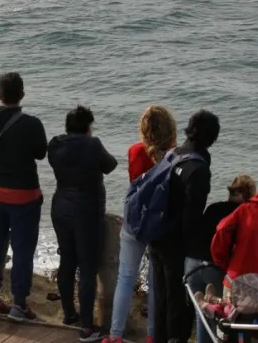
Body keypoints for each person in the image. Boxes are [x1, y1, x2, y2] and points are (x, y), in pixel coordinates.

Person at [0, 72, 47, 323]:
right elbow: (40, 153)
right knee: (22, 250)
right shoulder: (31, 124)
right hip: (23, 195)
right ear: (23, 95)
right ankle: (18, 304)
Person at [105, 104, 178, 343]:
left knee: (125, 277)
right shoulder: (176, 158)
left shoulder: (135, 151)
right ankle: (151, 335)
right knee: (154, 282)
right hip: (160, 226)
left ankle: (115, 335)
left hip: (135, 220)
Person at [149, 109, 219, 343]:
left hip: (155, 232)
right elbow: (192, 216)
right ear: (212, 138)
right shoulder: (199, 169)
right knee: (178, 300)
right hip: (175, 241)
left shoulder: (173, 153)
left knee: (161, 297)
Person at [47, 105, 115, 342]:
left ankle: (69, 314)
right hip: (86, 210)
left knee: (67, 260)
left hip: (60, 207)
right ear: (88, 127)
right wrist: (91, 142)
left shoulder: (55, 145)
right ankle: (87, 325)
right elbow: (111, 165)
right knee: (87, 267)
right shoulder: (92, 145)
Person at [184, 174, 256, 343]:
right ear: (248, 196)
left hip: (191, 264)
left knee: (202, 314)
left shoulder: (213, 208)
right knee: (222, 318)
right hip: (213, 267)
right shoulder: (241, 214)